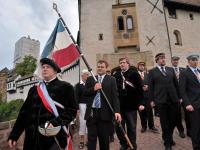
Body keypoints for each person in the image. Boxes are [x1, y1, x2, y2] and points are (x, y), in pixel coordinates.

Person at [8, 58, 77, 150]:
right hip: (31, 139)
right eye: (43, 67)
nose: (44, 69)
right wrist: (14, 135)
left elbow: (72, 111)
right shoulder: (34, 90)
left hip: (52, 138)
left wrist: (55, 123)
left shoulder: (66, 87)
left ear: (55, 70)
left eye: (48, 67)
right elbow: (23, 113)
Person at [84, 60, 121, 150]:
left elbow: (115, 97)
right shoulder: (90, 79)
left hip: (105, 114)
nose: (100, 68)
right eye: (98, 67)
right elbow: (85, 93)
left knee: (104, 140)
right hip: (92, 113)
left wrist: (117, 111)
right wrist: (94, 88)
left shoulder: (111, 79)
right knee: (91, 140)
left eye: (102, 67)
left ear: (106, 68)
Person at [148, 53, 180, 150]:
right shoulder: (152, 72)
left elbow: (176, 84)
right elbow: (151, 87)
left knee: (173, 120)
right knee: (164, 122)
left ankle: (167, 137)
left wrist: (180, 97)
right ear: (157, 60)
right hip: (161, 101)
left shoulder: (170, 70)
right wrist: (152, 100)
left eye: (164, 58)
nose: (163, 60)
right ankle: (168, 143)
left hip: (173, 100)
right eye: (161, 58)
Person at [112, 57, 144, 150]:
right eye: (120, 63)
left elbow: (140, 90)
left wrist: (141, 103)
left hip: (131, 106)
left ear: (128, 64)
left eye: (123, 62)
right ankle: (123, 143)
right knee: (119, 127)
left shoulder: (134, 74)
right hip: (119, 107)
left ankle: (132, 144)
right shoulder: (116, 75)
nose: (121, 64)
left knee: (132, 127)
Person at [179, 54, 200, 150]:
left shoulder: (199, 71)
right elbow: (182, 90)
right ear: (189, 61)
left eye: (196, 59)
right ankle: (196, 147)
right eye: (193, 60)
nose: (195, 61)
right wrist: (187, 104)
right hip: (193, 105)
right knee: (195, 128)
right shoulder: (184, 73)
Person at [171, 56, 190, 138]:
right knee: (177, 115)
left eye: (177, 60)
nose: (175, 61)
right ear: (171, 61)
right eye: (174, 60)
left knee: (188, 114)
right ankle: (181, 130)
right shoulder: (169, 70)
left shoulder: (183, 70)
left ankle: (189, 131)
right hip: (175, 96)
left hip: (185, 95)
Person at [137, 62, 158, 133]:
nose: (142, 67)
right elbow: (134, 85)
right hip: (140, 97)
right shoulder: (136, 75)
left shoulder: (147, 74)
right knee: (142, 113)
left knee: (150, 112)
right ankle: (144, 126)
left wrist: (148, 87)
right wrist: (141, 88)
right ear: (138, 67)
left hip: (148, 96)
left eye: (143, 65)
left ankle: (151, 126)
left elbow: (151, 84)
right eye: (140, 66)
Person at [75, 69, 90, 149]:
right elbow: (76, 97)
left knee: (89, 123)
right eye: (86, 74)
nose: (88, 76)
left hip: (90, 106)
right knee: (83, 123)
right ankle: (81, 141)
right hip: (82, 106)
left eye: (88, 74)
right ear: (82, 75)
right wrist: (77, 108)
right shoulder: (78, 85)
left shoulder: (91, 84)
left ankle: (88, 141)